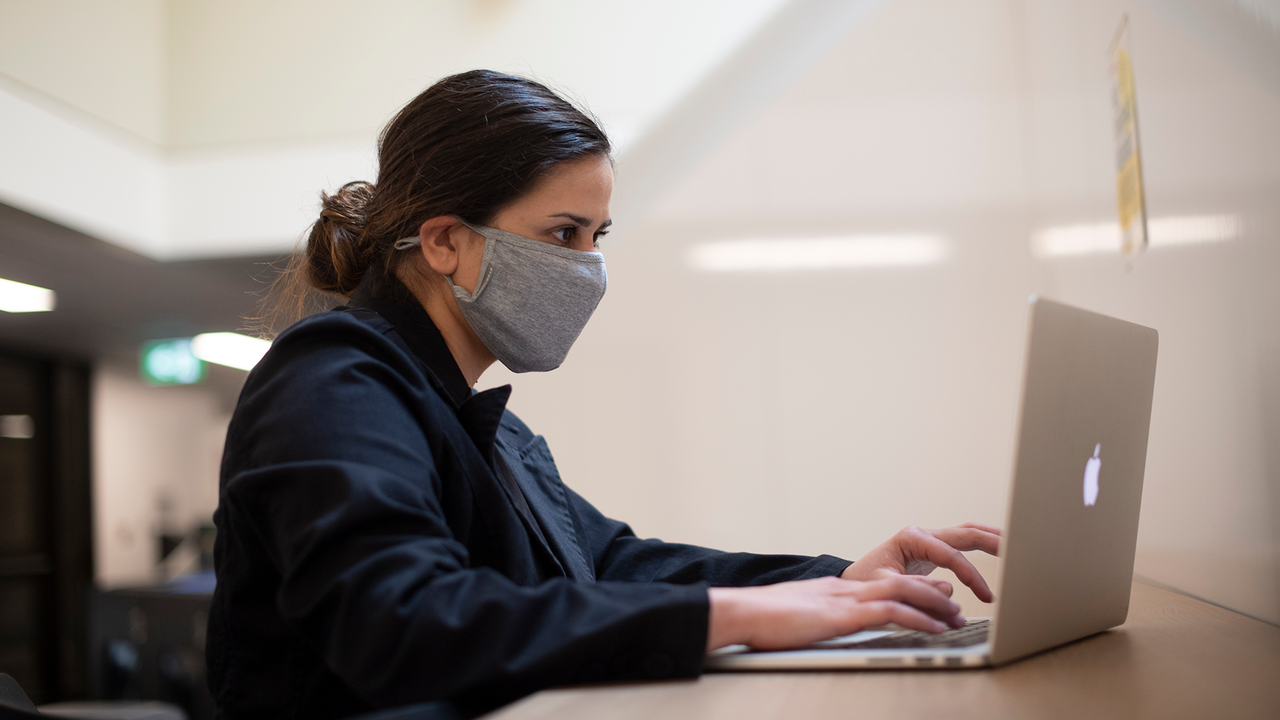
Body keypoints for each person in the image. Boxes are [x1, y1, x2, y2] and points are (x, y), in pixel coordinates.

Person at [207, 69, 1001, 720]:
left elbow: (613, 562)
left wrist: (828, 584)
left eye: (598, 236)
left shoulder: (481, 422)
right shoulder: (331, 381)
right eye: (562, 234)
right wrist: (735, 621)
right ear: (446, 241)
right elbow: (404, 622)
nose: (588, 266)